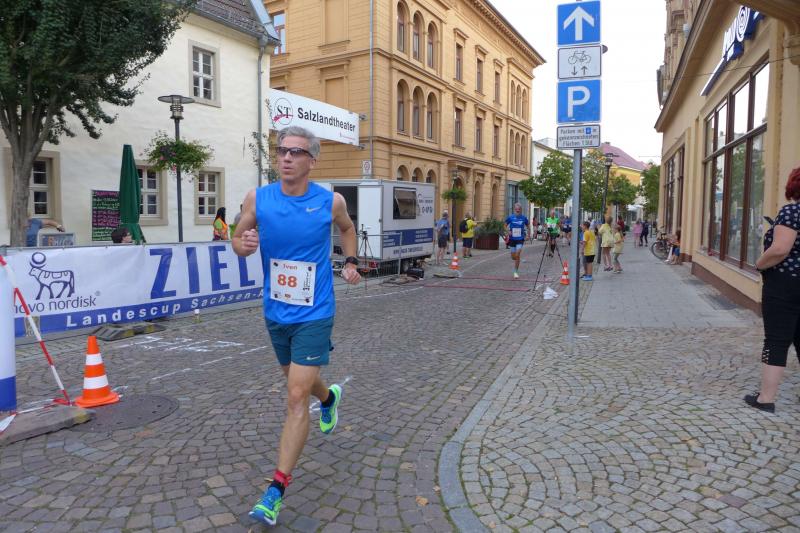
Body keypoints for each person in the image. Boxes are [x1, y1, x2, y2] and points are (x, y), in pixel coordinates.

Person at [232, 126, 361, 526]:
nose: (286, 157)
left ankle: (275, 490)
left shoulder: (330, 201)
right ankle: (329, 398)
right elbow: (237, 237)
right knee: (297, 381)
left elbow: (347, 229)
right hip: (276, 310)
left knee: (294, 395)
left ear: (312, 161)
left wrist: (351, 261)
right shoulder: (258, 198)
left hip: (315, 311)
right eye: (281, 150)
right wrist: (242, 245)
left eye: (296, 152)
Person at [745, 167, 800, 413]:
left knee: (776, 340)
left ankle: (766, 399)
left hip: (785, 284)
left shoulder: (792, 212)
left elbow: (780, 249)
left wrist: (759, 264)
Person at [505, 203, 530, 279]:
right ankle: (517, 259)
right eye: (516, 209)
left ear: (521, 210)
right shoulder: (510, 217)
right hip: (512, 239)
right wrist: (508, 231)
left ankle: (515, 272)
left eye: (519, 209)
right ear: (514, 210)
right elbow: (504, 225)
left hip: (520, 239)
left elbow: (528, 226)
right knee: (513, 257)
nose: (517, 211)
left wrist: (528, 235)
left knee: (518, 254)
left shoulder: (524, 218)